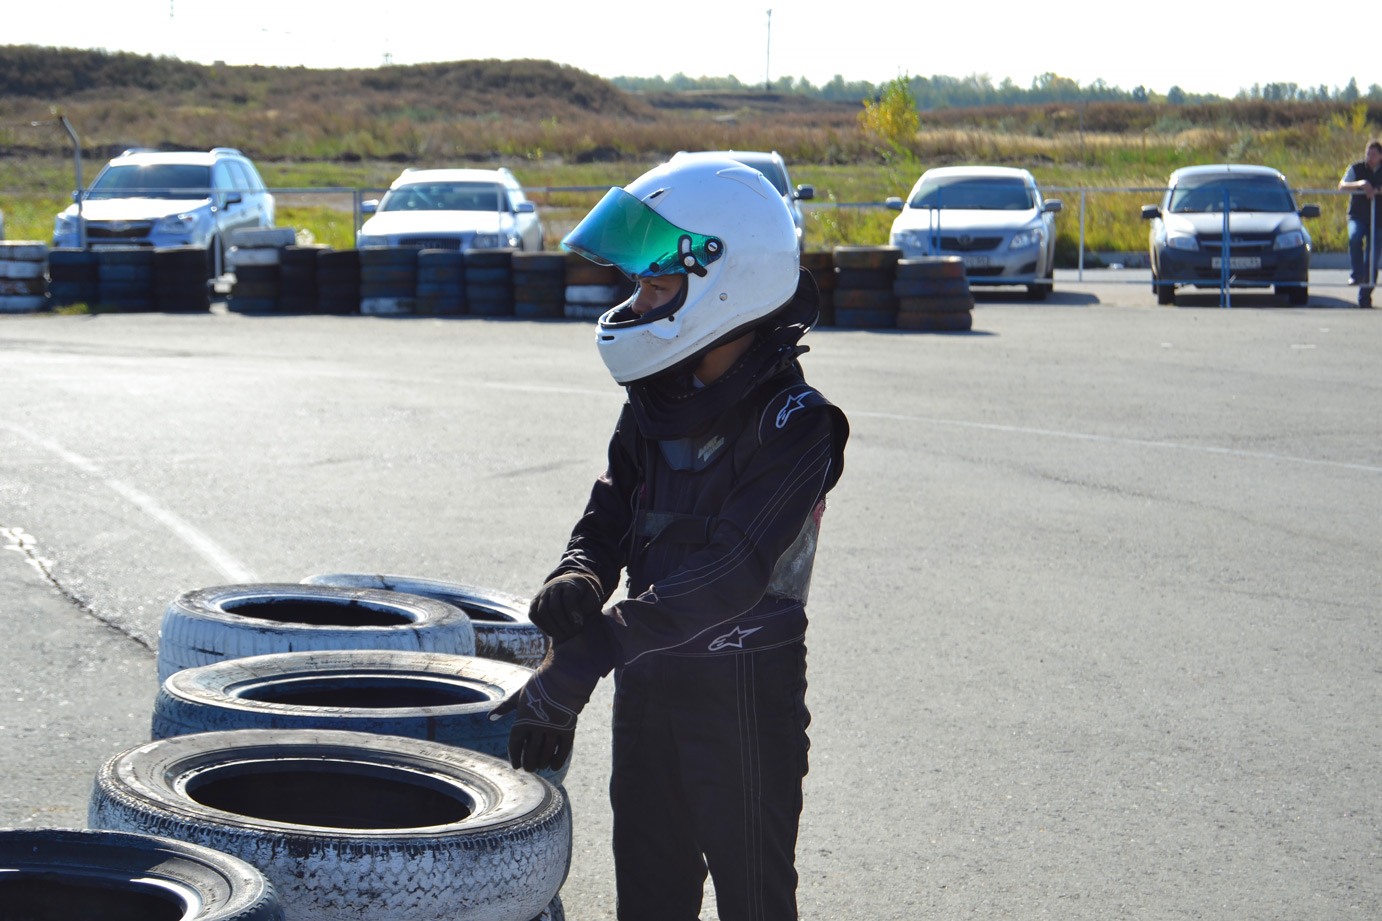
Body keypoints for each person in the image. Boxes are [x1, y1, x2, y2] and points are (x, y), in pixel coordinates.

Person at [492, 153, 849, 920]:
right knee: (649, 903)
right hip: (648, 689)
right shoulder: (656, 402)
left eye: (657, 286)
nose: (639, 301)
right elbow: (611, 510)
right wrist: (580, 575)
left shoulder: (796, 424)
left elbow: (731, 571)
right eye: (641, 284)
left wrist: (583, 656)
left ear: (725, 281)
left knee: (756, 905)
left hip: (745, 701)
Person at [1339, 139, 1382, 307]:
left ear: (1380, 156)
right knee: (1355, 237)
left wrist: (1377, 190)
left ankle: (1364, 297)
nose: (1369, 158)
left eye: (1373, 154)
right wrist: (1360, 185)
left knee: (1372, 258)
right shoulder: (1356, 168)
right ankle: (1357, 274)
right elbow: (1342, 186)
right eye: (1367, 154)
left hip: (1378, 221)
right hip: (1357, 215)